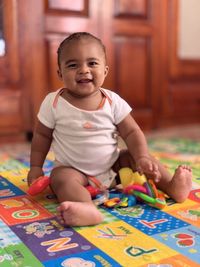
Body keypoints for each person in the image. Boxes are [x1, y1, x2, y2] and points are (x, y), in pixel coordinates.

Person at [27, 32, 192, 227]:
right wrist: (36, 168)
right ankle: (86, 208)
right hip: (75, 171)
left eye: (92, 63)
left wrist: (142, 157)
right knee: (59, 178)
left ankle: (172, 187)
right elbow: (42, 136)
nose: (83, 70)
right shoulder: (53, 103)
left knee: (140, 158)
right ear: (60, 74)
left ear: (105, 71)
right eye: (73, 65)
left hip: (113, 167)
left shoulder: (112, 101)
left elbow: (131, 132)